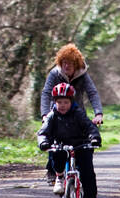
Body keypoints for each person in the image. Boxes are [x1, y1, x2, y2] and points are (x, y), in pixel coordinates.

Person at [39, 43, 103, 182]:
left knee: (82, 145)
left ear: (77, 64)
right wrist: (45, 114)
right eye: (64, 63)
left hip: (76, 112)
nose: (66, 66)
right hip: (56, 112)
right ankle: (53, 170)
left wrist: (98, 113)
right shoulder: (55, 73)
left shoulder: (83, 75)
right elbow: (46, 93)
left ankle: (80, 175)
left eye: (70, 63)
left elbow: (92, 93)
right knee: (54, 141)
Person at [37, 82, 102, 198]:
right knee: (56, 154)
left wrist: (94, 138)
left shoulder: (78, 113)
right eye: (59, 102)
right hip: (61, 145)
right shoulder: (52, 116)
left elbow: (90, 127)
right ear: (54, 102)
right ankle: (59, 177)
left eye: (66, 102)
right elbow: (43, 132)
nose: (62, 105)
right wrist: (43, 142)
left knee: (87, 174)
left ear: (71, 102)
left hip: (81, 145)